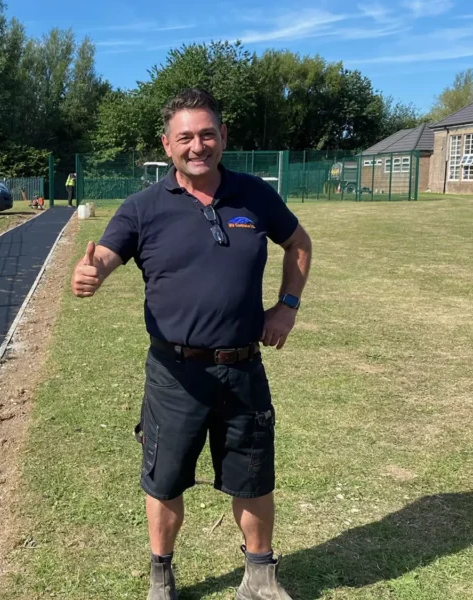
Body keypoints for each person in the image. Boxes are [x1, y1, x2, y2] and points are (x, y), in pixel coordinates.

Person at [71, 88, 312, 600]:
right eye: (185, 137)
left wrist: (286, 308)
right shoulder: (142, 208)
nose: (197, 145)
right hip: (175, 375)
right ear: (167, 144)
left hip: (243, 369)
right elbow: (110, 254)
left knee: (253, 477)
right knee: (164, 481)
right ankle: (162, 577)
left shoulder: (255, 197)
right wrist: (95, 272)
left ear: (223, 136)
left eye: (207, 134)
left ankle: (260, 577)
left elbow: (298, 243)